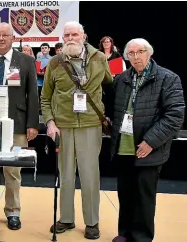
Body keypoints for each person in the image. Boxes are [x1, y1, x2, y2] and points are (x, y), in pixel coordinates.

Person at [41, 21, 113, 240]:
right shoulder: (54, 62)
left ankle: (92, 222)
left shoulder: (100, 58)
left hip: (90, 124)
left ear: (84, 36)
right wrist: (50, 122)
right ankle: (66, 218)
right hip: (63, 126)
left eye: (75, 34)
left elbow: (110, 83)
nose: (70, 38)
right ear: (62, 38)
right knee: (66, 175)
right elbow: (45, 97)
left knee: (90, 175)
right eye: (67, 34)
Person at [110, 38, 185, 242]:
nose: (136, 57)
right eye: (131, 54)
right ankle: (125, 233)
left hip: (149, 149)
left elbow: (175, 115)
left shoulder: (168, 78)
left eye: (140, 52)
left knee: (144, 197)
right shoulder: (122, 78)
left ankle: (141, 238)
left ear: (149, 53)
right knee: (125, 195)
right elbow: (114, 110)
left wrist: (151, 141)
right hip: (123, 147)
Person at [0, 23, 39, 231]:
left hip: (17, 123)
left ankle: (13, 211)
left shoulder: (26, 61)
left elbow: (33, 94)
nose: (1, 38)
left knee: (13, 170)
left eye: (5, 35)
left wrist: (32, 124)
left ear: (13, 38)